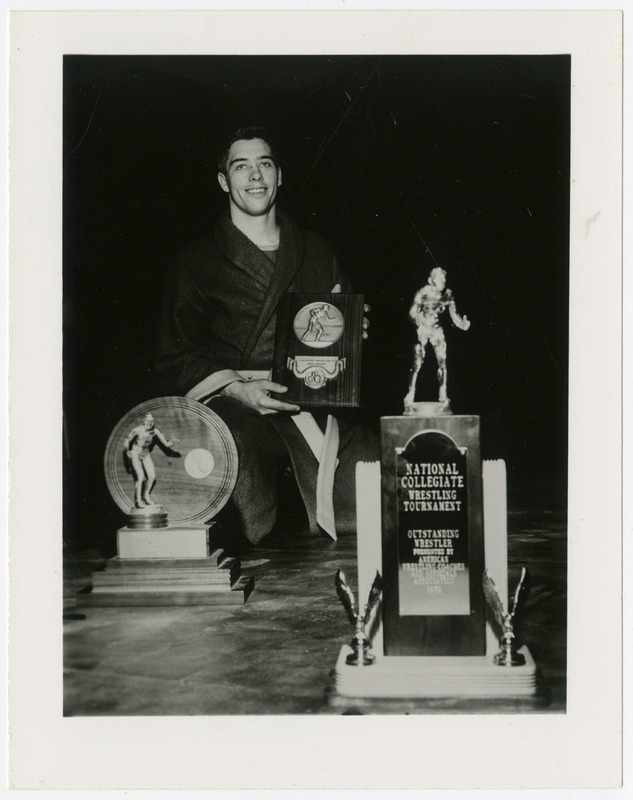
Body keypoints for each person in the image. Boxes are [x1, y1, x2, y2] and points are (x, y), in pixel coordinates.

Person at [156, 126, 377, 545]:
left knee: (378, 477)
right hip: (234, 404)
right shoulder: (194, 263)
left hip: (309, 403)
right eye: (242, 166)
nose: (255, 176)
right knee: (235, 463)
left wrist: (351, 332)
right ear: (224, 181)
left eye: (265, 164)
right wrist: (239, 389)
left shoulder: (315, 250)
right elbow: (175, 355)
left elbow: (338, 324)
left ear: (280, 175)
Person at [403, 266, 470, 409]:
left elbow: (454, 316)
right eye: (439, 277)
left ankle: (443, 394)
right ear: (431, 280)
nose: (442, 280)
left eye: (443, 278)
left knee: (443, 362)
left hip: (436, 330)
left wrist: (462, 324)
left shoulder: (448, 295)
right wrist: (417, 319)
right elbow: (411, 314)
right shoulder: (423, 292)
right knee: (417, 363)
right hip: (422, 329)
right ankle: (410, 394)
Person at [123, 413, 180, 508]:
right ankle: (138, 501)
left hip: (145, 454)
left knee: (152, 476)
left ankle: (146, 495)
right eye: (148, 421)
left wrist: (173, 442)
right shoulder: (137, 430)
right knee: (140, 476)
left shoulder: (155, 431)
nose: (150, 423)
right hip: (136, 453)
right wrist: (127, 452)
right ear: (144, 421)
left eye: (152, 421)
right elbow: (127, 441)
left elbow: (166, 444)